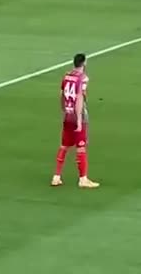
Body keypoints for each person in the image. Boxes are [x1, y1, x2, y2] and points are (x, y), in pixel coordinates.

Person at [52, 53, 98, 189]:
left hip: (68, 113)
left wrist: (64, 110)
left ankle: (56, 177)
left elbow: (61, 94)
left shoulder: (67, 76)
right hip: (78, 115)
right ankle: (83, 179)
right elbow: (79, 98)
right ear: (84, 63)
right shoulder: (83, 78)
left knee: (64, 145)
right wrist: (79, 119)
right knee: (81, 146)